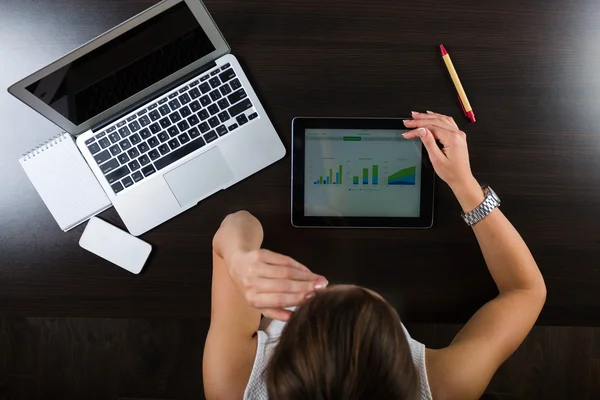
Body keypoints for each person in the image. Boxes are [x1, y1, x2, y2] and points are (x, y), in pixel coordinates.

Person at [202, 111, 546, 400]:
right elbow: (525, 291)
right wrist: (466, 186)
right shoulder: (447, 384)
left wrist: (238, 257)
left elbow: (237, 222)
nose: (334, 284)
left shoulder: (233, 384)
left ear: (278, 360)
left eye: (312, 305)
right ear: (405, 358)